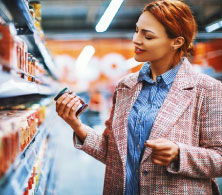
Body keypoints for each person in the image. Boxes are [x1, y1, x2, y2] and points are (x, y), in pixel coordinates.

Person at [55, 0, 222, 194]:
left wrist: (179, 154)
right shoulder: (125, 86)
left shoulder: (207, 89)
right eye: (137, 31)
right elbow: (113, 155)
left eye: (148, 36)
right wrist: (76, 125)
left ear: (176, 42)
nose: (136, 40)